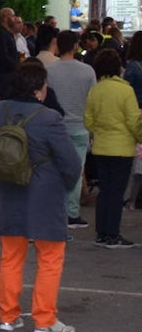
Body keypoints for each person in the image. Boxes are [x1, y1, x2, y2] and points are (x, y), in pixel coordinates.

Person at [0, 63, 83, 332]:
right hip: (44, 194)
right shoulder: (49, 118)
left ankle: (8, 316)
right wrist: (65, 187)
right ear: (38, 90)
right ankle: (44, 319)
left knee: (10, 256)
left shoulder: (0, 111)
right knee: (50, 257)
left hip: (9, 191)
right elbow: (70, 162)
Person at [84, 49, 142, 248]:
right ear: (118, 67)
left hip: (101, 147)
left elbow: (88, 120)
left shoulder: (95, 90)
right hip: (122, 148)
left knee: (105, 190)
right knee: (117, 193)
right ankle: (113, 234)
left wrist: (99, 131)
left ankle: (101, 233)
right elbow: (134, 121)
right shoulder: (126, 91)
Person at [46, 30, 96, 228]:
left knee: (55, 170)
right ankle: (72, 213)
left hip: (56, 126)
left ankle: (55, 209)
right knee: (76, 170)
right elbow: (92, 101)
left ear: (58, 45)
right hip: (80, 127)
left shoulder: (50, 71)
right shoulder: (87, 71)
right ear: (76, 46)